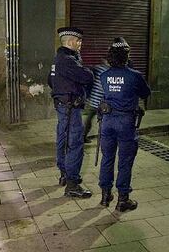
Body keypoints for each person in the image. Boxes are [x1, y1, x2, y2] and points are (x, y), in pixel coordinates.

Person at [98, 37, 151, 212]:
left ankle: (105, 196)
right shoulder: (134, 76)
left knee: (107, 158)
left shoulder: (104, 75)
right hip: (126, 122)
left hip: (107, 121)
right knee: (125, 161)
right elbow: (146, 92)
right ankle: (123, 199)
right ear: (127, 55)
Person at [48, 27, 94, 199]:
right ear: (70, 42)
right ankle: (72, 184)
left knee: (62, 139)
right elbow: (87, 77)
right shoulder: (67, 60)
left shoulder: (57, 59)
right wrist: (87, 71)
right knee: (74, 144)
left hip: (63, 106)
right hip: (71, 108)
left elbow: (49, 80)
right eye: (79, 41)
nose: (81, 44)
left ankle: (64, 174)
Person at [83, 59, 108, 143]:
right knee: (104, 122)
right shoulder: (109, 71)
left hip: (94, 100)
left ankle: (83, 136)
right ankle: (103, 139)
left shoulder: (97, 68)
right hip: (101, 102)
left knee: (89, 120)